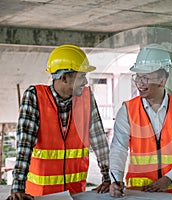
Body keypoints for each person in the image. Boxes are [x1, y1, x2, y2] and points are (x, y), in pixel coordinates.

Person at [6, 44, 111, 200]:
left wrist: (108, 178)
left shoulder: (86, 98)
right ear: (64, 78)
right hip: (40, 196)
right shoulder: (35, 96)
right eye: (81, 76)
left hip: (76, 194)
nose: (85, 82)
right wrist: (18, 187)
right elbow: (25, 146)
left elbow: (99, 140)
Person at [109, 43, 172, 197]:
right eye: (138, 77)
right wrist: (115, 179)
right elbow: (119, 148)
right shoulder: (127, 110)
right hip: (138, 193)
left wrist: (169, 179)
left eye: (145, 78)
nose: (139, 83)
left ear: (162, 81)